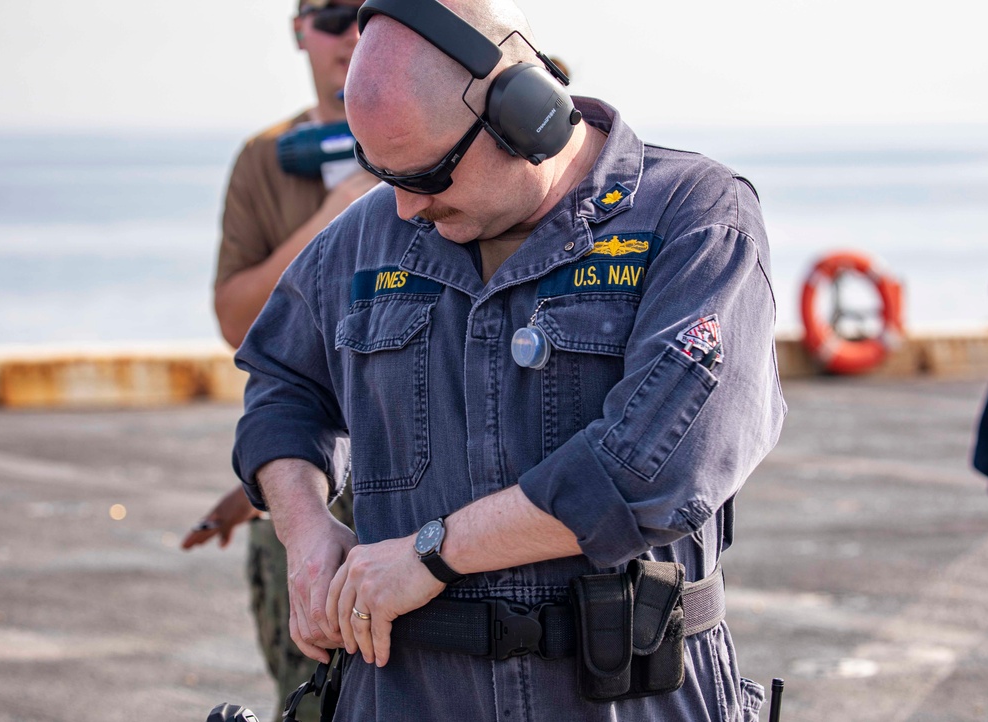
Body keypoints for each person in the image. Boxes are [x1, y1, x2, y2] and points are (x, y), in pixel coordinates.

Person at [231, 0, 787, 719]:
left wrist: (431, 554)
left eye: (427, 176)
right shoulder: (366, 238)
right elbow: (282, 386)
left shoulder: (697, 217)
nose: (402, 209)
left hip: (627, 695)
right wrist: (305, 532)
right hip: (408, 696)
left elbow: (658, 466)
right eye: (382, 174)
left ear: (527, 117)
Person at [182, 1, 375, 720]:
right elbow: (239, 322)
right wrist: (333, 222)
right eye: (330, 14)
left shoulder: (451, 151)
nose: (353, 32)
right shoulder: (268, 161)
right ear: (297, 29)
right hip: (307, 500)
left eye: (369, 11)